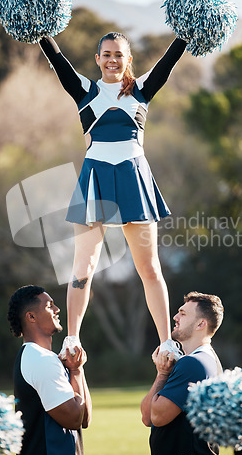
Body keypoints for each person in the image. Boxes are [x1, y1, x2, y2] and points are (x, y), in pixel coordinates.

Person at [39, 31, 187, 357]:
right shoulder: (85, 90)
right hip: (95, 178)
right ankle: (73, 339)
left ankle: (165, 343)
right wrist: (41, 31)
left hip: (134, 178)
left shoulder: (142, 90)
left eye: (119, 54)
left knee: (149, 269)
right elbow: (58, 61)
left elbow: (168, 62)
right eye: (106, 54)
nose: (112, 60)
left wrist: (186, 34)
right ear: (97, 59)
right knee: (83, 268)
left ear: (128, 59)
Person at [7, 285, 92, 455]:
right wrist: (75, 372)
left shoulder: (43, 357)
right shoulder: (40, 359)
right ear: (31, 317)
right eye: (49, 305)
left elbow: (85, 419)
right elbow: (74, 419)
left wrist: (78, 370)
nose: (57, 309)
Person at [141, 291, 224, 455]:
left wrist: (163, 374)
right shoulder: (210, 360)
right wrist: (163, 372)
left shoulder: (192, 364)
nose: (175, 317)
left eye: (183, 313)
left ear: (201, 324)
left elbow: (156, 417)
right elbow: (147, 417)